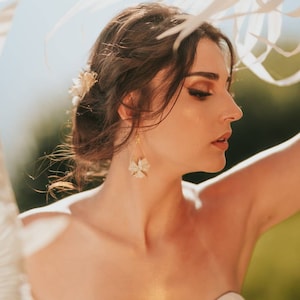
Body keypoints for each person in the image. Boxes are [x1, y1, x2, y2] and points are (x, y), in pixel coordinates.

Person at [21, 2, 300, 300]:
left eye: (228, 90)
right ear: (133, 106)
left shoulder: (232, 212)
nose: (234, 111)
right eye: (201, 92)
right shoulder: (28, 249)